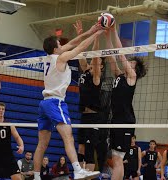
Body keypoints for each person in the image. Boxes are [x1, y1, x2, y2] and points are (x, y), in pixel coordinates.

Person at [33, 21, 104, 180]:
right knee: (68, 137)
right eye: (60, 43)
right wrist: (97, 34)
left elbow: (73, 43)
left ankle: (37, 177)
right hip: (56, 103)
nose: (62, 44)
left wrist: (90, 30)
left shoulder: (49, 57)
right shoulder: (61, 57)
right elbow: (79, 48)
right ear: (56, 48)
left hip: (44, 103)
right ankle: (78, 170)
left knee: (42, 144)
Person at [104, 23, 148, 180]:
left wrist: (114, 29)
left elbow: (120, 54)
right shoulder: (119, 75)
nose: (128, 63)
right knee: (116, 158)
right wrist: (107, 34)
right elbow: (111, 56)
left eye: (132, 64)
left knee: (118, 159)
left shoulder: (132, 77)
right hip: (116, 120)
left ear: (134, 69)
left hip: (125, 121)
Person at [75, 21, 110, 172]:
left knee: (89, 150)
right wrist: (80, 35)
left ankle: (87, 175)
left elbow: (95, 56)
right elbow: (81, 52)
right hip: (84, 116)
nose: (92, 60)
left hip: (95, 118)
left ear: (100, 66)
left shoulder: (96, 76)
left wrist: (96, 35)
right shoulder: (84, 71)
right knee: (81, 148)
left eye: (96, 61)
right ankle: (80, 174)